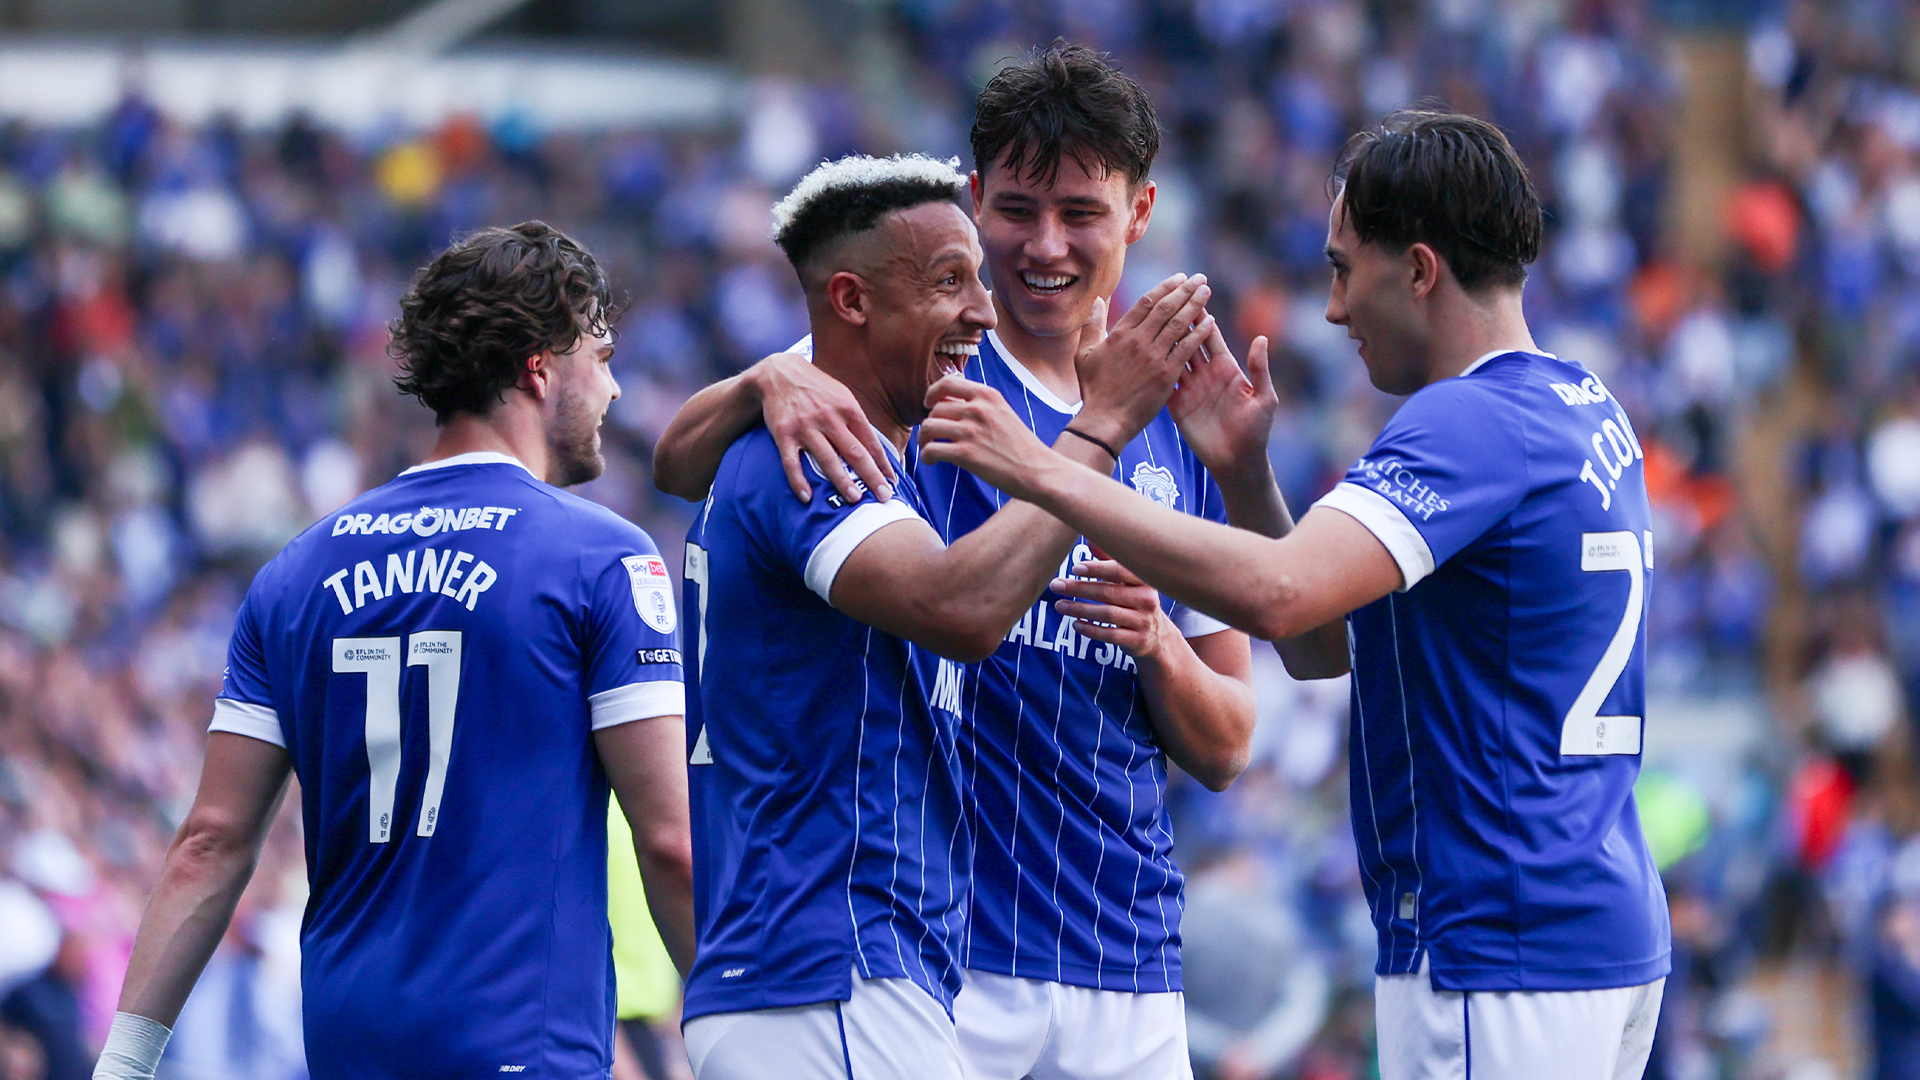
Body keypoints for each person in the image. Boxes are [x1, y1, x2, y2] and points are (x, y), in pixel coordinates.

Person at [919, 109, 1671, 1080]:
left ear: (1420, 270)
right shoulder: (1577, 404)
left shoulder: (1465, 423)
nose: (1331, 308)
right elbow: (1322, 646)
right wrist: (1243, 475)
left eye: (1344, 267)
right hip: (1591, 924)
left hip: (1500, 936)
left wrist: (1052, 467)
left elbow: (1279, 596)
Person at [655, 44, 1326, 1079]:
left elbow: (1230, 740)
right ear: (974, 203)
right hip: (951, 961)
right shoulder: (927, 373)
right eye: (1016, 210)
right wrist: (760, 385)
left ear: (1140, 214)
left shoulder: (1168, 422)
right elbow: (680, 458)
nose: (1043, 245)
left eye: (1080, 213)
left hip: (1129, 954)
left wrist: (1158, 638)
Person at [92, 222, 697, 1080]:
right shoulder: (605, 559)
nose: (615, 388)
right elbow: (668, 839)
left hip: (346, 1047)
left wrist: (124, 1060)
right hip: (522, 1047)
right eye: (600, 357)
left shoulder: (294, 572)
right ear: (540, 366)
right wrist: (733, 1030)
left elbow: (211, 842)